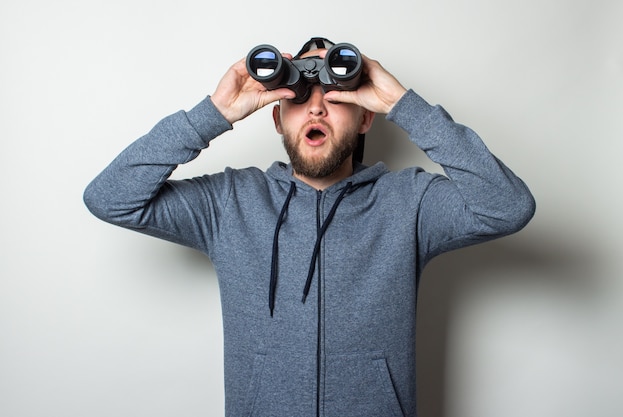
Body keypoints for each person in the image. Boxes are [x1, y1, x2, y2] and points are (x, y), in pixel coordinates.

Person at [84, 37, 535, 417]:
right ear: (278, 117)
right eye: (300, 96)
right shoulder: (229, 203)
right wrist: (214, 113)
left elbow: (508, 206)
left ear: (364, 117)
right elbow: (110, 197)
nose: (316, 109)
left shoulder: (408, 203)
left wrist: (405, 105)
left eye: (337, 96)